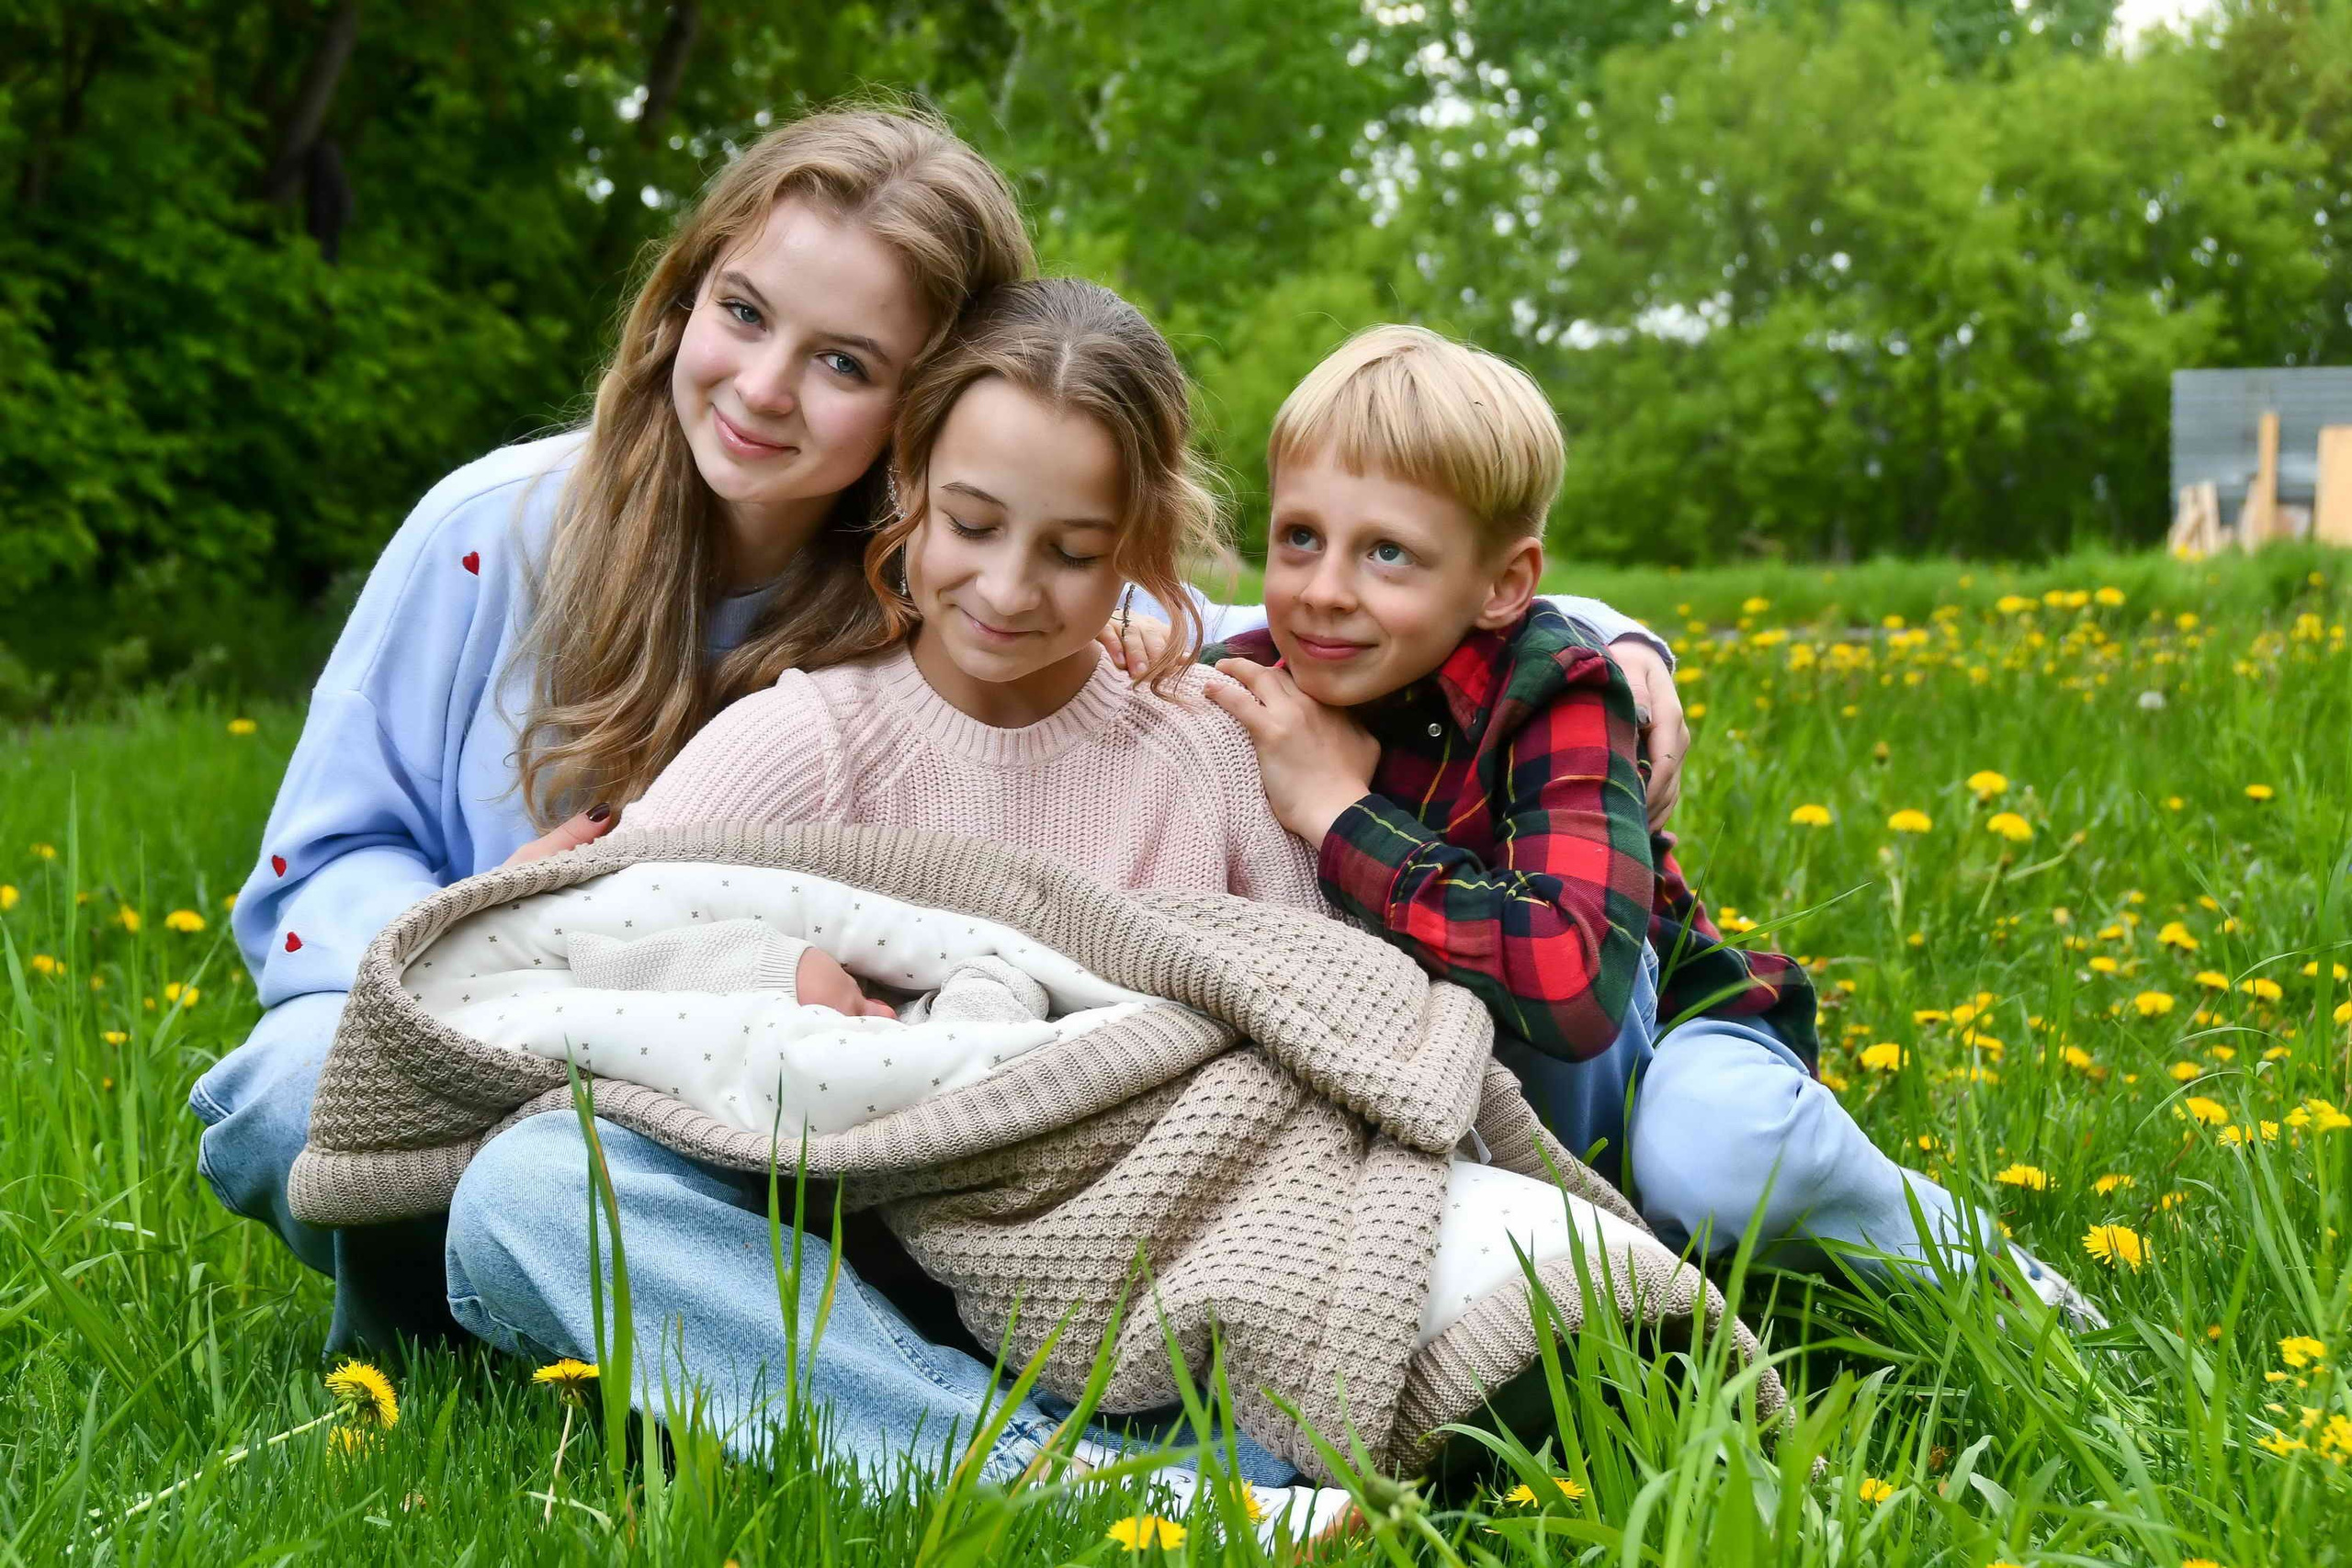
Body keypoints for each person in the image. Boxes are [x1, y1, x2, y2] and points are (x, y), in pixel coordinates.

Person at [1199, 324, 2107, 1325]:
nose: (1324, 590)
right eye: (1298, 538)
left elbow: (1573, 985)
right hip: (1465, 1107)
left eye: (1387, 553)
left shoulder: (1556, 687)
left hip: (1652, 1046)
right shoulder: (1260, 684)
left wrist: (1342, 816)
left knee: (1715, 1156)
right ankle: (1628, 1284)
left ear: (1502, 584)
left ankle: (1992, 1283)